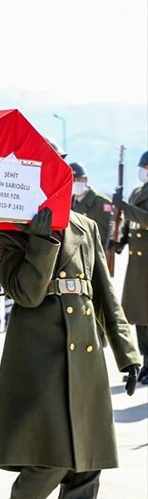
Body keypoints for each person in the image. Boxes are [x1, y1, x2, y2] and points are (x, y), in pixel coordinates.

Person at [0, 207, 140, 499]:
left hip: (85, 352)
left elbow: (103, 294)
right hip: (40, 358)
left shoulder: (85, 225)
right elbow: (26, 292)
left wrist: (127, 354)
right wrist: (40, 240)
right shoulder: (8, 228)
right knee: (54, 454)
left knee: (90, 456)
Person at [112, 150, 148, 384]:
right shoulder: (138, 191)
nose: (142, 171)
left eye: (144, 167)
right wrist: (119, 242)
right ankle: (146, 361)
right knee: (139, 317)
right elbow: (131, 223)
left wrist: (124, 206)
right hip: (137, 266)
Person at [68, 162, 113, 251]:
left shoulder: (101, 202)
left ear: (85, 179)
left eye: (78, 179)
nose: (75, 182)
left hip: (92, 252)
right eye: (72, 180)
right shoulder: (69, 201)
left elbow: (104, 235)